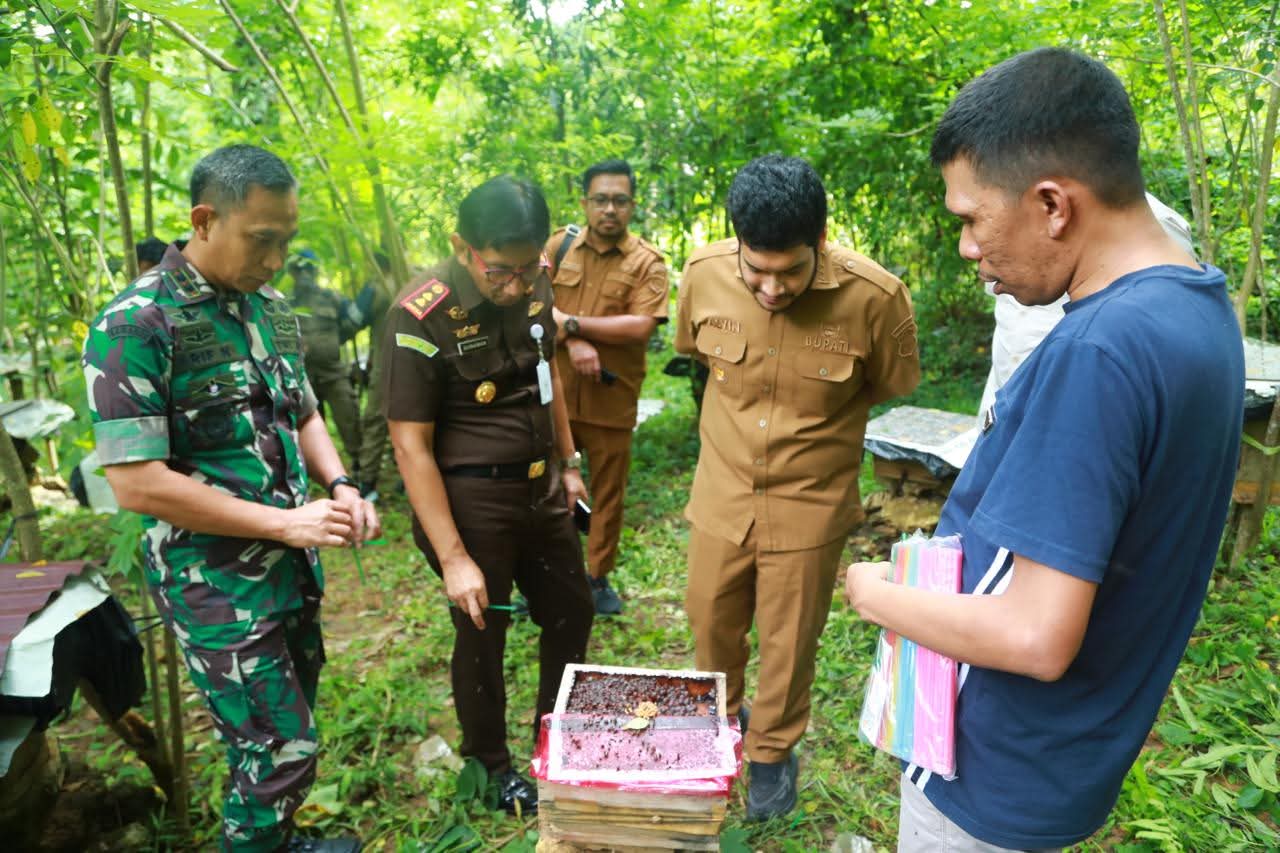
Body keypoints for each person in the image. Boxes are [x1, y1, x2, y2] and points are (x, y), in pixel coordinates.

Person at [844, 48, 1244, 852]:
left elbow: (1035, 633)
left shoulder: (1097, 353)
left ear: (1053, 204)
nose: (966, 246)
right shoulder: (1200, 305)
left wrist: (873, 590)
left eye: (970, 217)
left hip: (992, 770)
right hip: (1070, 756)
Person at [82, 144, 380, 853]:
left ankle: (278, 841)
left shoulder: (271, 309)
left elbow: (304, 411)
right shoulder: (134, 323)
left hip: (289, 563)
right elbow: (136, 481)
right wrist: (285, 521)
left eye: (288, 240)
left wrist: (340, 485)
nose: (277, 259)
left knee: (287, 725)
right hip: (213, 581)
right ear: (204, 219)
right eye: (262, 240)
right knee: (281, 747)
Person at [675, 154, 920, 820]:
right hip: (722, 491)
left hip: (810, 503)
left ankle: (772, 752)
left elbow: (894, 382)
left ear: (821, 238)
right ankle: (721, 726)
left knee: (789, 638)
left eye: (790, 271)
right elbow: (691, 348)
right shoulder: (701, 275)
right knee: (710, 619)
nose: (772, 289)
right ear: (736, 245)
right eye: (756, 271)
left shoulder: (875, 297)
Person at [382, 175, 594, 815]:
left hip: (541, 488)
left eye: (531, 268)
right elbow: (410, 447)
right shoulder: (418, 315)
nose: (518, 284)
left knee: (571, 611)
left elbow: (545, 372)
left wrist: (569, 461)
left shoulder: (534, 279)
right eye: (502, 270)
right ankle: (491, 764)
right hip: (470, 503)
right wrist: (453, 558)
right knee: (482, 633)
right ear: (462, 246)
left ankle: (553, 742)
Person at [545, 159, 670, 614]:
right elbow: (531, 301)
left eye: (619, 200)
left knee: (608, 490)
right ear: (585, 203)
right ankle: (546, 575)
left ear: (632, 205)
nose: (609, 209)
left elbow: (641, 326)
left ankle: (595, 577)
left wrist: (572, 324)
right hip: (553, 395)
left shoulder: (647, 263)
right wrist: (574, 340)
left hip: (609, 398)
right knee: (546, 487)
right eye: (600, 200)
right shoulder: (559, 246)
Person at [977, 192, 1196, 422]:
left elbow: (1172, 337)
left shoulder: (1149, 226)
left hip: (1087, 421)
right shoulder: (1007, 214)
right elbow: (1009, 323)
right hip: (1003, 419)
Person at [289, 249, 375, 466]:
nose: (305, 275)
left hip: (335, 374)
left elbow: (354, 321)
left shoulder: (332, 298)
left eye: (309, 269)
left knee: (350, 423)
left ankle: (359, 470)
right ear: (293, 273)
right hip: (303, 378)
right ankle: (318, 474)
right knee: (309, 431)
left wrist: (367, 293)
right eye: (300, 270)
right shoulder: (284, 303)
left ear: (316, 271)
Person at [355, 252, 395, 498]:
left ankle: (367, 483)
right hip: (421, 363)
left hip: (386, 365)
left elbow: (353, 320)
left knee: (374, 421)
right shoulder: (417, 277)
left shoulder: (376, 287)